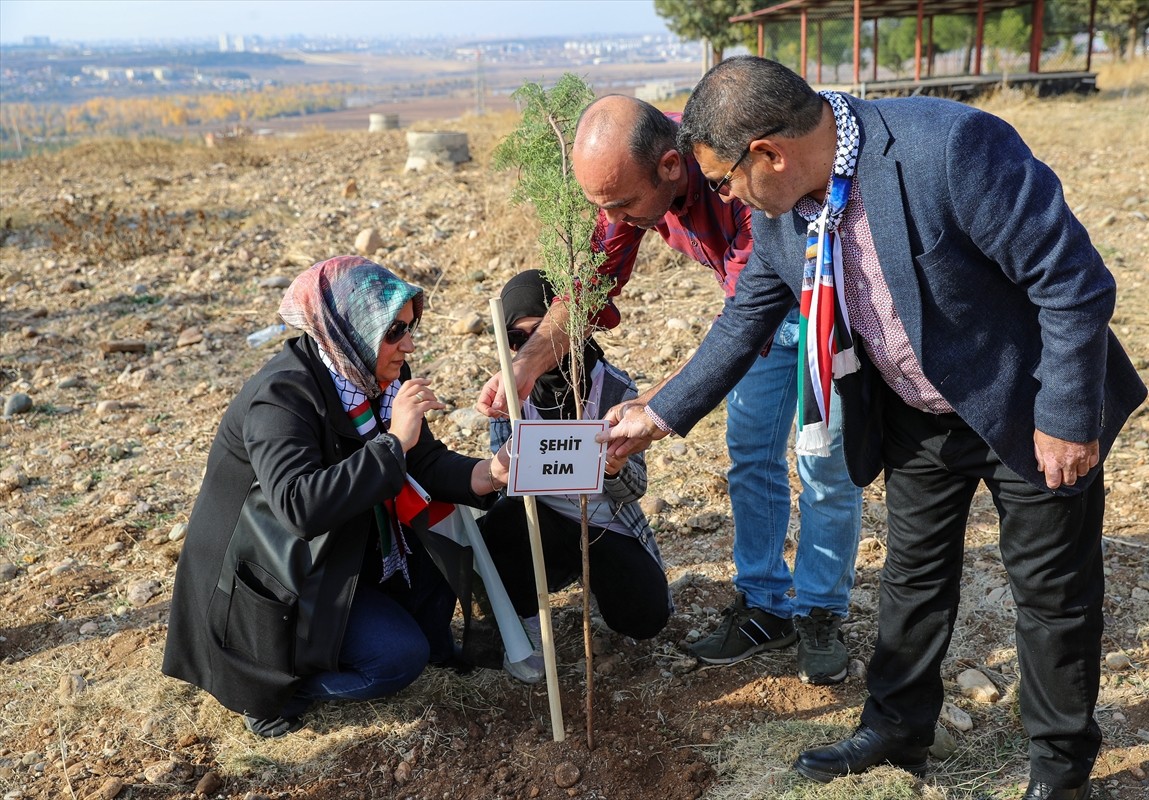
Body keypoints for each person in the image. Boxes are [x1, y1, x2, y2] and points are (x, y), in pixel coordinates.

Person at [602, 57, 1146, 800]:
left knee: (1051, 594)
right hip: (916, 415)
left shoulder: (949, 148)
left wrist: (1065, 415)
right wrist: (656, 415)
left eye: (724, 180)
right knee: (913, 581)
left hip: (1027, 407)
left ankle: (1060, 768)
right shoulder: (783, 213)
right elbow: (745, 320)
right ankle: (896, 731)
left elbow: (1073, 281)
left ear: (769, 152)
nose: (724, 197)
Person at [476, 94, 863, 683]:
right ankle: (765, 607)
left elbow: (747, 314)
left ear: (672, 166)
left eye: (625, 205)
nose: (620, 219)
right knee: (752, 459)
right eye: (606, 207)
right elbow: (590, 282)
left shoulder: (737, 178)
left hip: (827, 308)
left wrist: (656, 409)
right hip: (756, 315)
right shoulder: (633, 183)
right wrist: (527, 362)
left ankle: (819, 614)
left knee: (824, 466)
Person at [162, 256, 511, 737]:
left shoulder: (374, 375)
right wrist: (393, 444)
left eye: (410, 328)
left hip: (341, 550)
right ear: (352, 331)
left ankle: (380, 627)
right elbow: (299, 506)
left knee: (444, 556)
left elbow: (423, 462)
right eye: (394, 332)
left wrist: (489, 473)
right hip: (279, 575)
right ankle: (286, 690)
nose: (408, 344)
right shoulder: (283, 396)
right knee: (397, 661)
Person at [477, 270, 671, 683]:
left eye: (541, 335)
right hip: (538, 522)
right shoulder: (507, 392)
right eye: (517, 340)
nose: (532, 349)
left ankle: (601, 587)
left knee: (646, 619)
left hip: (604, 526)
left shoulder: (614, 388)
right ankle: (524, 624)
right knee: (499, 525)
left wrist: (612, 470)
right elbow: (500, 475)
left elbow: (637, 488)